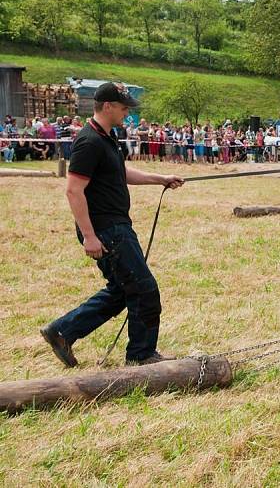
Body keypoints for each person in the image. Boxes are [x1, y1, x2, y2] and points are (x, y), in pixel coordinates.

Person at [40, 82, 184, 367]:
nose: (127, 112)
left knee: (122, 290)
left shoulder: (106, 137)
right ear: (107, 106)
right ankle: (141, 356)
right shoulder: (89, 142)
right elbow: (73, 190)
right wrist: (90, 237)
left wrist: (161, 179)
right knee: (144, 289)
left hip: (115, 227)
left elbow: (121, 171)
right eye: (123, 107)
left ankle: (62, 331)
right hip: (107, 230)